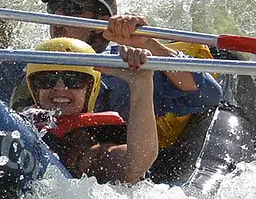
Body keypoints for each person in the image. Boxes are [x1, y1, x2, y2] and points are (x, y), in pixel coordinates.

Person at [0, 0, 223, 148]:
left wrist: (148, 43)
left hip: (105, 172)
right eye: (54, 7)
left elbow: (206, 94)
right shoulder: (35, 62)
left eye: (72, 8)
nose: (58, 15)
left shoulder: (124, 64)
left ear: (101, 20)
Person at [23, 37, 158, 184]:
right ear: (35, 87)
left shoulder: (89, 144)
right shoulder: (21, 121)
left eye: (74, 79)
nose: (60, 87)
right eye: (46, 79)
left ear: (90, 89)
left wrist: (141, 83)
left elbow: (134, 166)